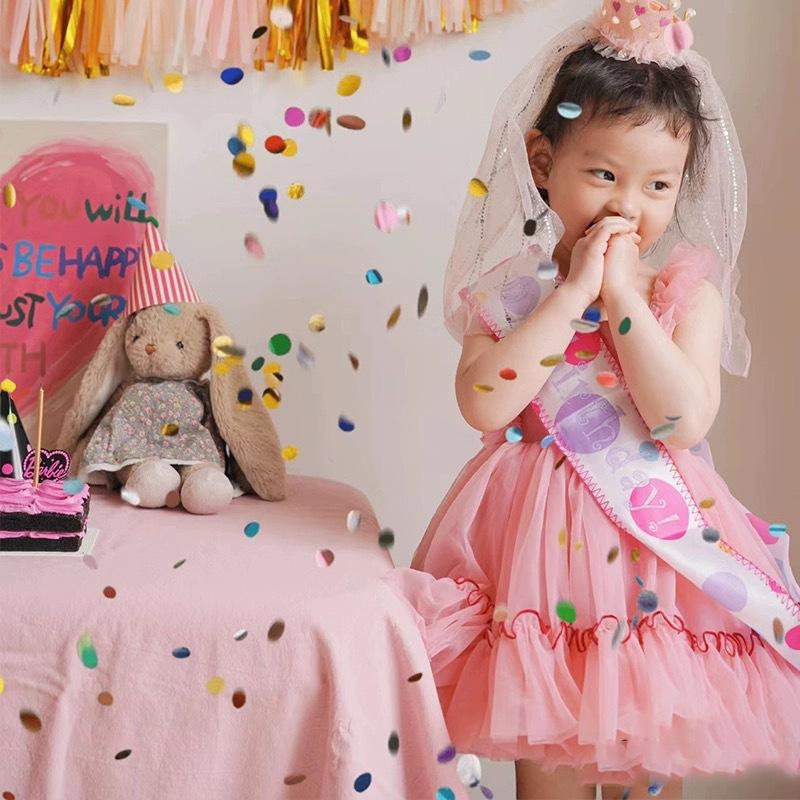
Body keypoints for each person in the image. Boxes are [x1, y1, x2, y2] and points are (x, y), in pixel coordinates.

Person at [383, 2, 800, 799]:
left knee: (648, 769)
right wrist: (572, 293)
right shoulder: (510, 294)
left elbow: (680, 420)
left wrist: (623, 300)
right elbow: (484, 404)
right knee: (551, 763)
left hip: (655, 569)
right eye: (604, 174)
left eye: (658, 185)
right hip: (537, 570)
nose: (627, 205)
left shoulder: (686, 293)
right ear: (543, 162)